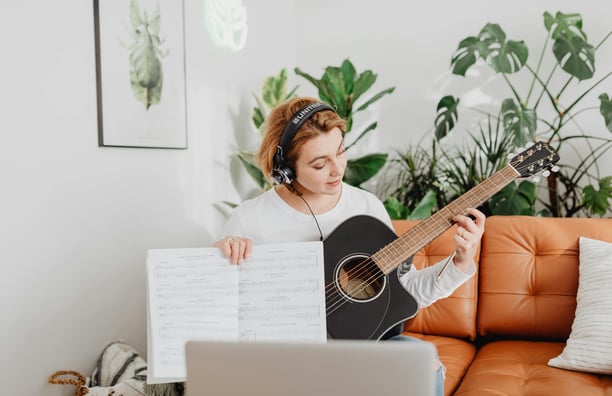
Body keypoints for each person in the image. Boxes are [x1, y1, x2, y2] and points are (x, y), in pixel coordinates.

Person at [214, 96, 485, 396]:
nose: (337, 169)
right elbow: (216, 310)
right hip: (284, 359)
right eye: (319, 164)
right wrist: (222, 257)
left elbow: (404, 294)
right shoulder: (250, 219)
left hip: (358, 352)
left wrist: (460, 261)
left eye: (340, 152)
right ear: (285, 170)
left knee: (421, 358)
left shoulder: (366, 206)